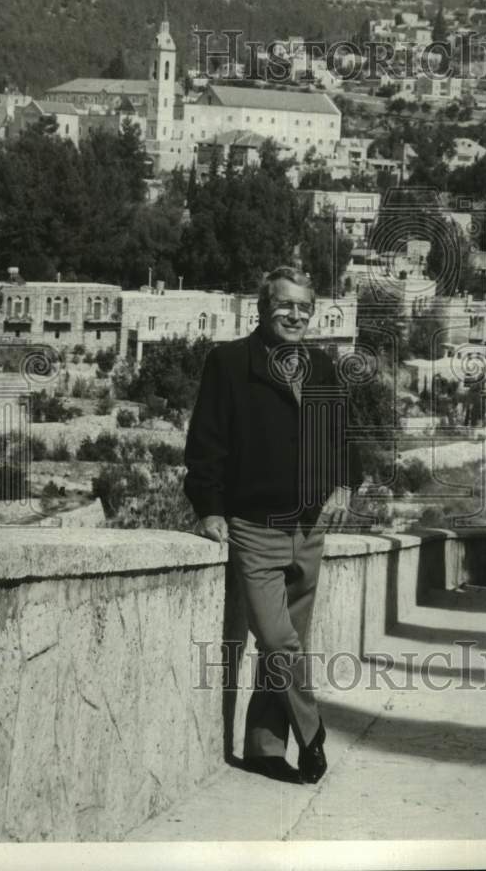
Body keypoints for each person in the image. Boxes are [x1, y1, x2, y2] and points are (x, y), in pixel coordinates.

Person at [184, 266, 362, 783]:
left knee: (287, 647)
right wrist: (209, 507)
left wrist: (345, 485)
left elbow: (343, 438)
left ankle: (264, 746)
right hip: (253, 526)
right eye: (286, 305)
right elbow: (206, 444)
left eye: (304, 308)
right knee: (279, 642)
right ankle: (313, 733)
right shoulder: (230, 362)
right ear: (263, 308)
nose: (296, 315)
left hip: (308, 529)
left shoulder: (323, 366)